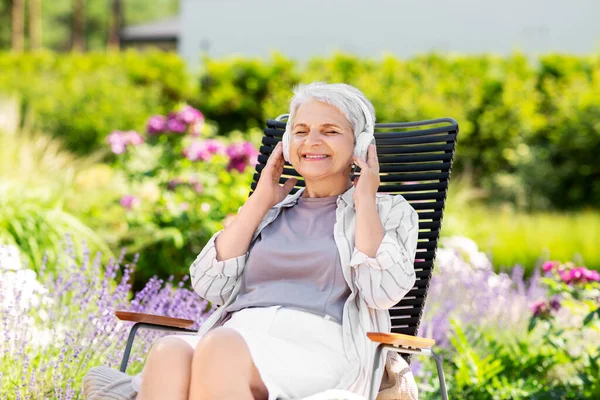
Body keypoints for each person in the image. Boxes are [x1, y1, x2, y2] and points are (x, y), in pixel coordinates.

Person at [134, 82, 419, 400]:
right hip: (240, 335)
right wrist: (260, 199)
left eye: (329, 131)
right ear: (286, 142)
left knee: (220, 347)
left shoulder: (387, 211)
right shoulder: (271, 212)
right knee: (168, 351)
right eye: (300, 131)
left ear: (361, 143)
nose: (312, 141)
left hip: (320, 347)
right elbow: (208, 285)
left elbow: (382, 293)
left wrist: (364, 199)